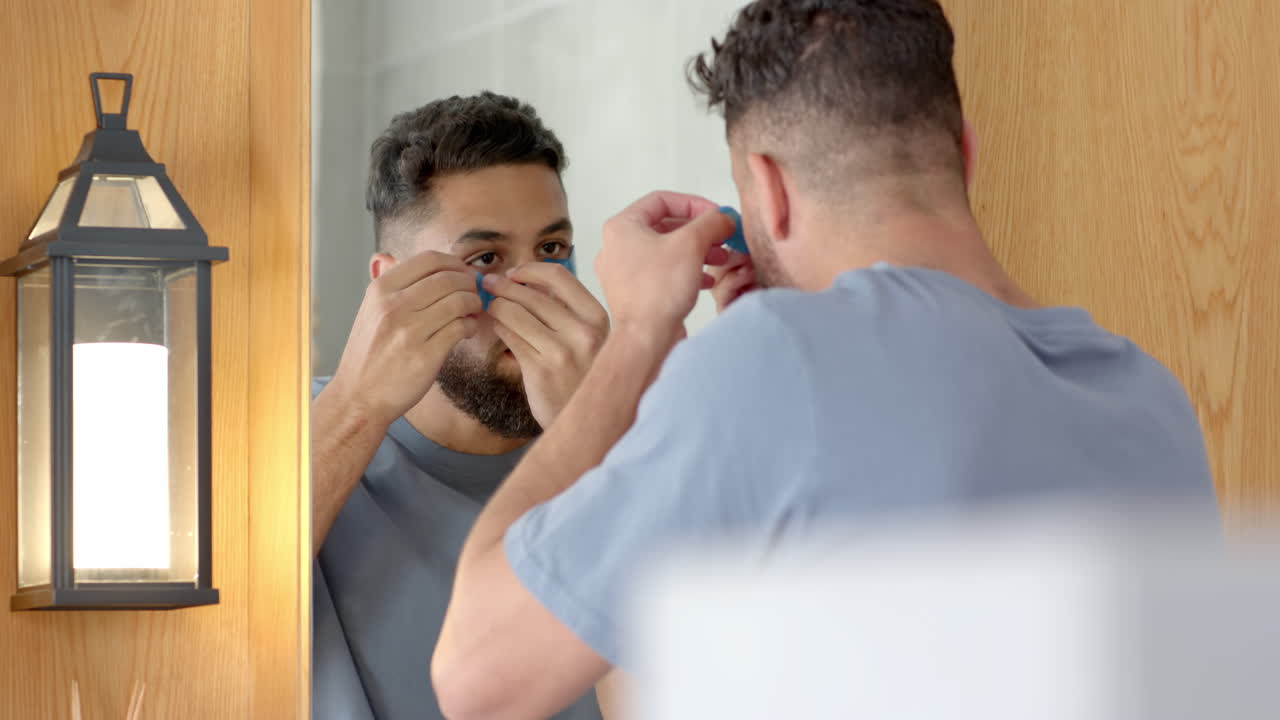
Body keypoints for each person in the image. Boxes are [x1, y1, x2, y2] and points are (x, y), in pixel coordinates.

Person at [430, 1, 1218, 718]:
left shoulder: (779, 367)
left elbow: (478, 677)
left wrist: (638, 334)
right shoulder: (1147, 395)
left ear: (767, 191)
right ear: (965, 156)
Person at [311, 92, 606, 720]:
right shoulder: (286, 441)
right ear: (389, 284)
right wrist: (356, 407)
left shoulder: (628, 458)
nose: (536, 292)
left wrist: (599, 440)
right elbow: (203, 640)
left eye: (553, 251)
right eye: (486, 260)